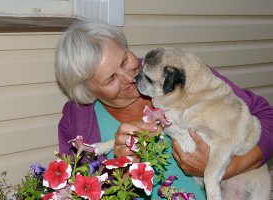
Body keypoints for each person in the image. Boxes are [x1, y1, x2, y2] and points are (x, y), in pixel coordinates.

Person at [55, 19, 273, 199]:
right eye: (110, 79)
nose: (129, 77)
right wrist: (119, 172)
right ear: (88, 92)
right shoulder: (76, 121)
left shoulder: (177, 75)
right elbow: (79, 188)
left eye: (124, 60)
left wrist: (230, 167)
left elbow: (266, 115)